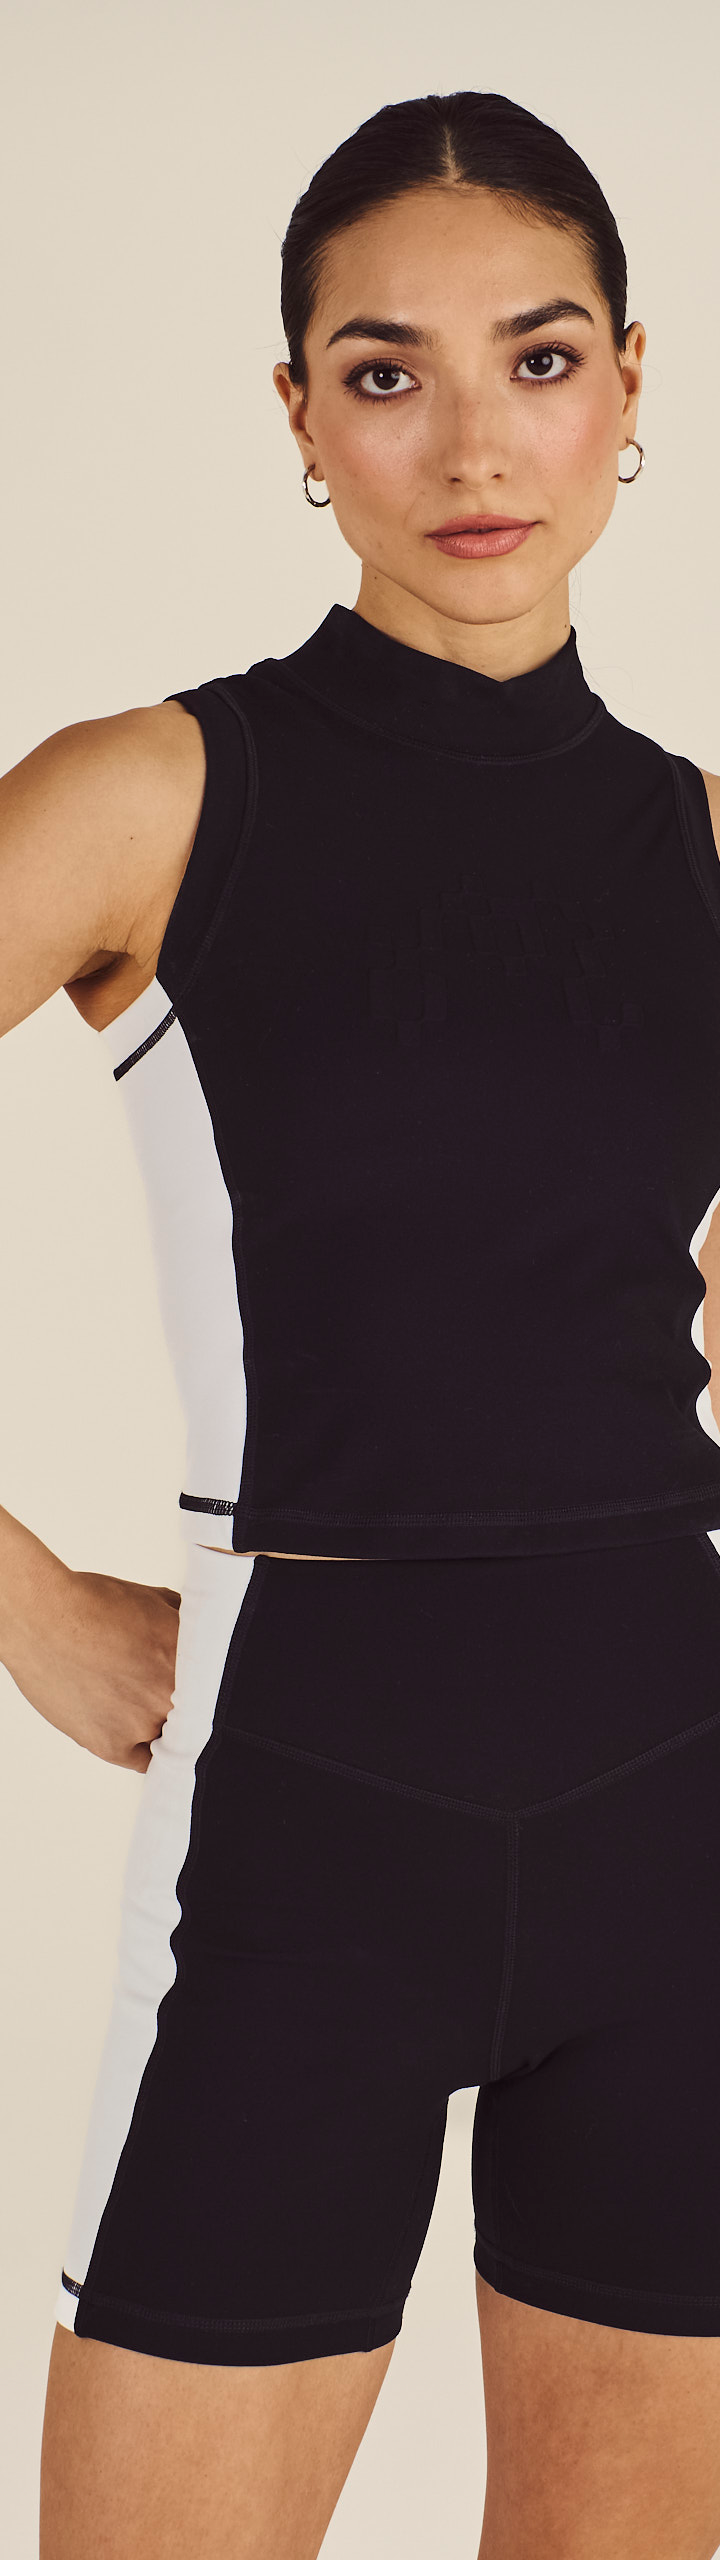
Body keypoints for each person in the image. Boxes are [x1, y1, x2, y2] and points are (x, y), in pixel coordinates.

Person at [3, 82, 720, 2560]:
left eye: (540, 357)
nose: (475, 444)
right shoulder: (153, 795)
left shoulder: (701, 843)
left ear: (631, 382)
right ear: (299, 414)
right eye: (387, 372)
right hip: (310, 1819)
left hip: (678, 1810)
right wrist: (18, 1596)